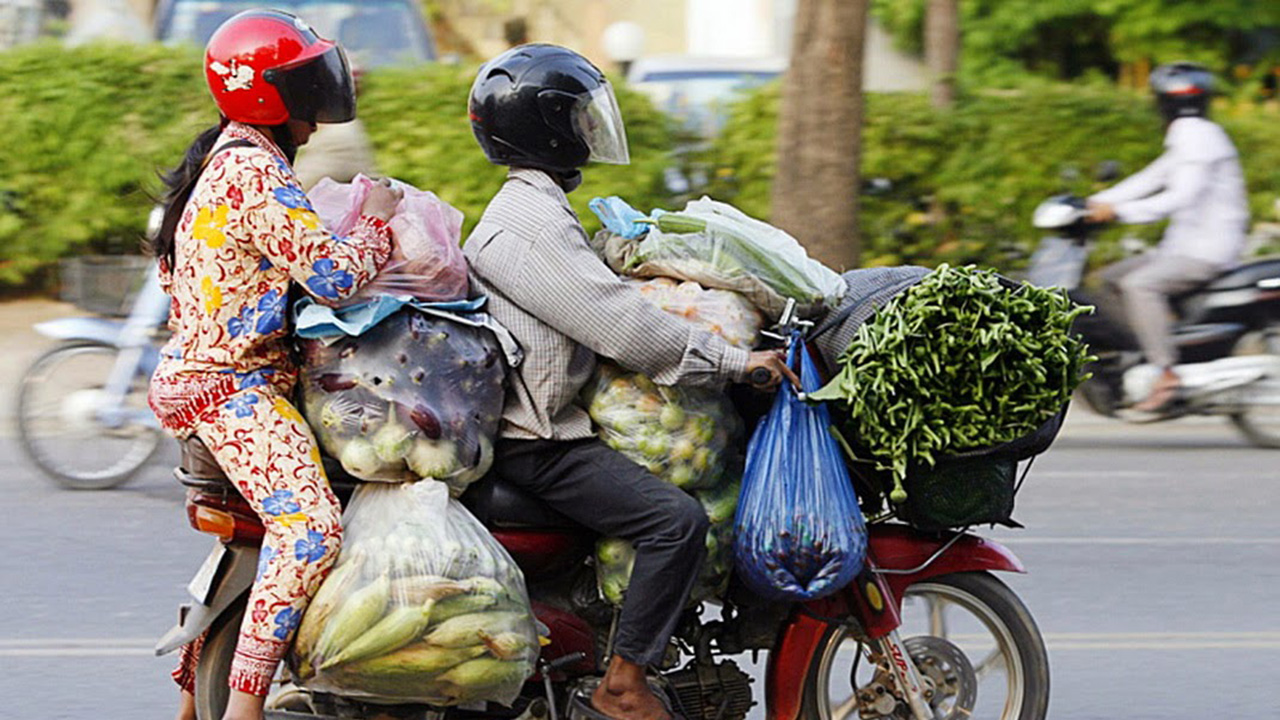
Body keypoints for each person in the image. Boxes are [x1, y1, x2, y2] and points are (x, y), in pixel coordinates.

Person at [462, 44, 793, 720]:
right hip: (542, 441)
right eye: (579, 119)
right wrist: (734, 362)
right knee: (676, 520)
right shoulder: (528, 226)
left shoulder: (535, 211)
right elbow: (617, 325)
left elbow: (599, 297)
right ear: (545, 127)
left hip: (545, 424)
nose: (589, 133)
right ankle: (624, 682)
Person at [147, 11, 400, 720]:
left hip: (216, 378)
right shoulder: (254, 170)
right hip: (229, 389)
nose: (318, 110)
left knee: (278, 529)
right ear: (270, 96)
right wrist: (377, 219)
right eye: (304, 86)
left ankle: (193, 703)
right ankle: (243, 708)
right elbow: (335, 277)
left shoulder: (228, 154)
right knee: (312, 529)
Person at [1087, 62, 1249, 412]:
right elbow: (1153, 177)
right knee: (1109, 279)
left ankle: (1165, 372)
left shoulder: (1194, 135)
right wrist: (1098, 202)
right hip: (1183, 247)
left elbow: (1178, 196)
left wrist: (1118, 211)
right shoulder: (1196, 134)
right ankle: (1143, 348)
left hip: (1205, 252)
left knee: (1139, 286)